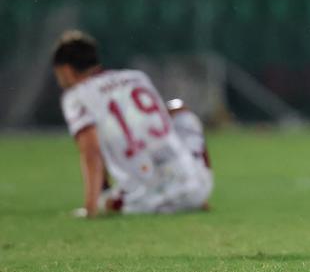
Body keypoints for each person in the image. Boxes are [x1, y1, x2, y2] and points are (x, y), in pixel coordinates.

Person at [52, 31, 213, 217]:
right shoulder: (137, 77)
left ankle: (111, 197)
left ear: (66, 70)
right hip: (196, 188)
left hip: (146, 199)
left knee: (102, 141)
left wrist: (90, 208)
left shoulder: (76, 96)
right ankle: (195, 185)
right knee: (180, 110)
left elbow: (91, 151)